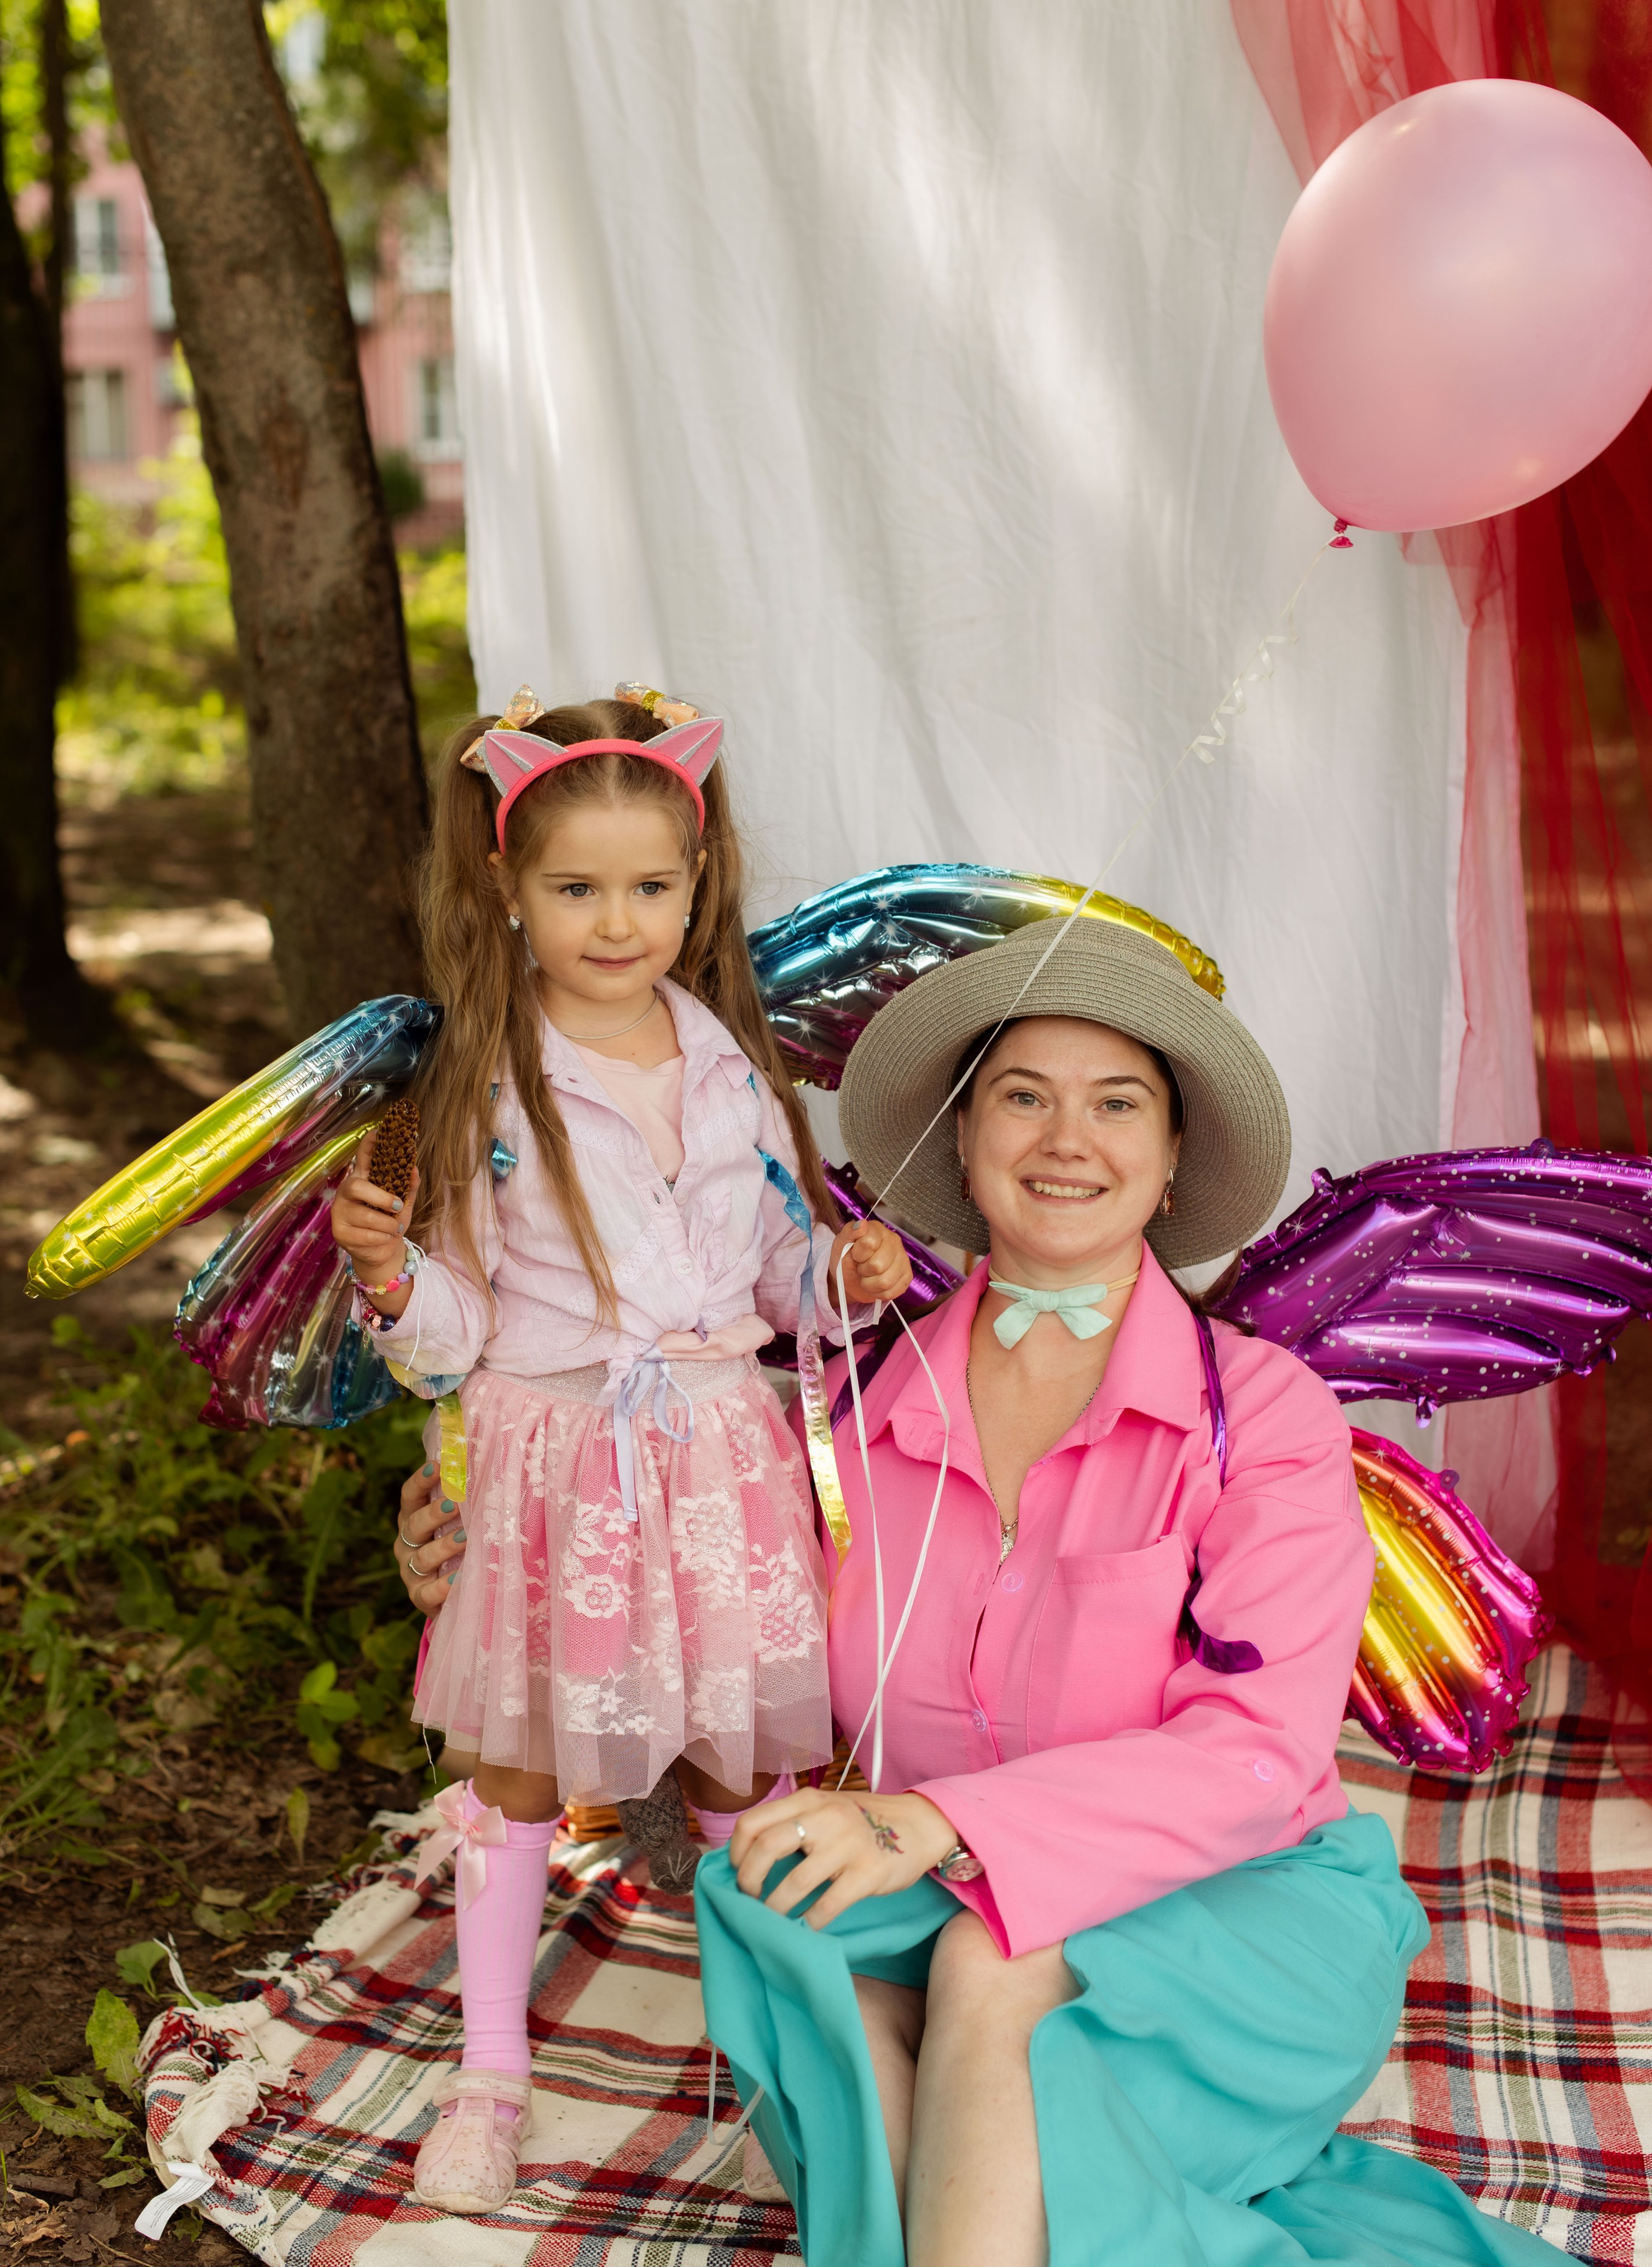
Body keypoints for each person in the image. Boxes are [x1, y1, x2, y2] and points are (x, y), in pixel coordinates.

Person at [694, 915, 1558, 2267]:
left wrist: (936, 1819)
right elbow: (736, 1652)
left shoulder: (1260, 1415)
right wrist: (501, 1573)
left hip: (1240, 1898)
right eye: (1021, 1098)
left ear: (1166, 1166)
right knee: (773, 1913)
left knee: (998, 1963)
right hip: (931, 1887)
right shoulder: (848, 1413)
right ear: (963, 1142)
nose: (1063, 1138)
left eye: (1115, 1104)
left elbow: (1259, 1756)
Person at [334, 686, 911, 2215]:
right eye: (575, 889)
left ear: (697, 882)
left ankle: (781, 2048)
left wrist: (836, 1275)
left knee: (743, 1746)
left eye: (649, 886)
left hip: (716, 1452)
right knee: (518, 1764)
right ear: (510, 896)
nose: (615, 921)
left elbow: (771, 1281)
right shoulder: (484, 1081)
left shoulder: (732, 1067)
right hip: (556, 1464)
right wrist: (395, 1279)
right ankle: (493, 2072)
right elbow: (454, 1332)